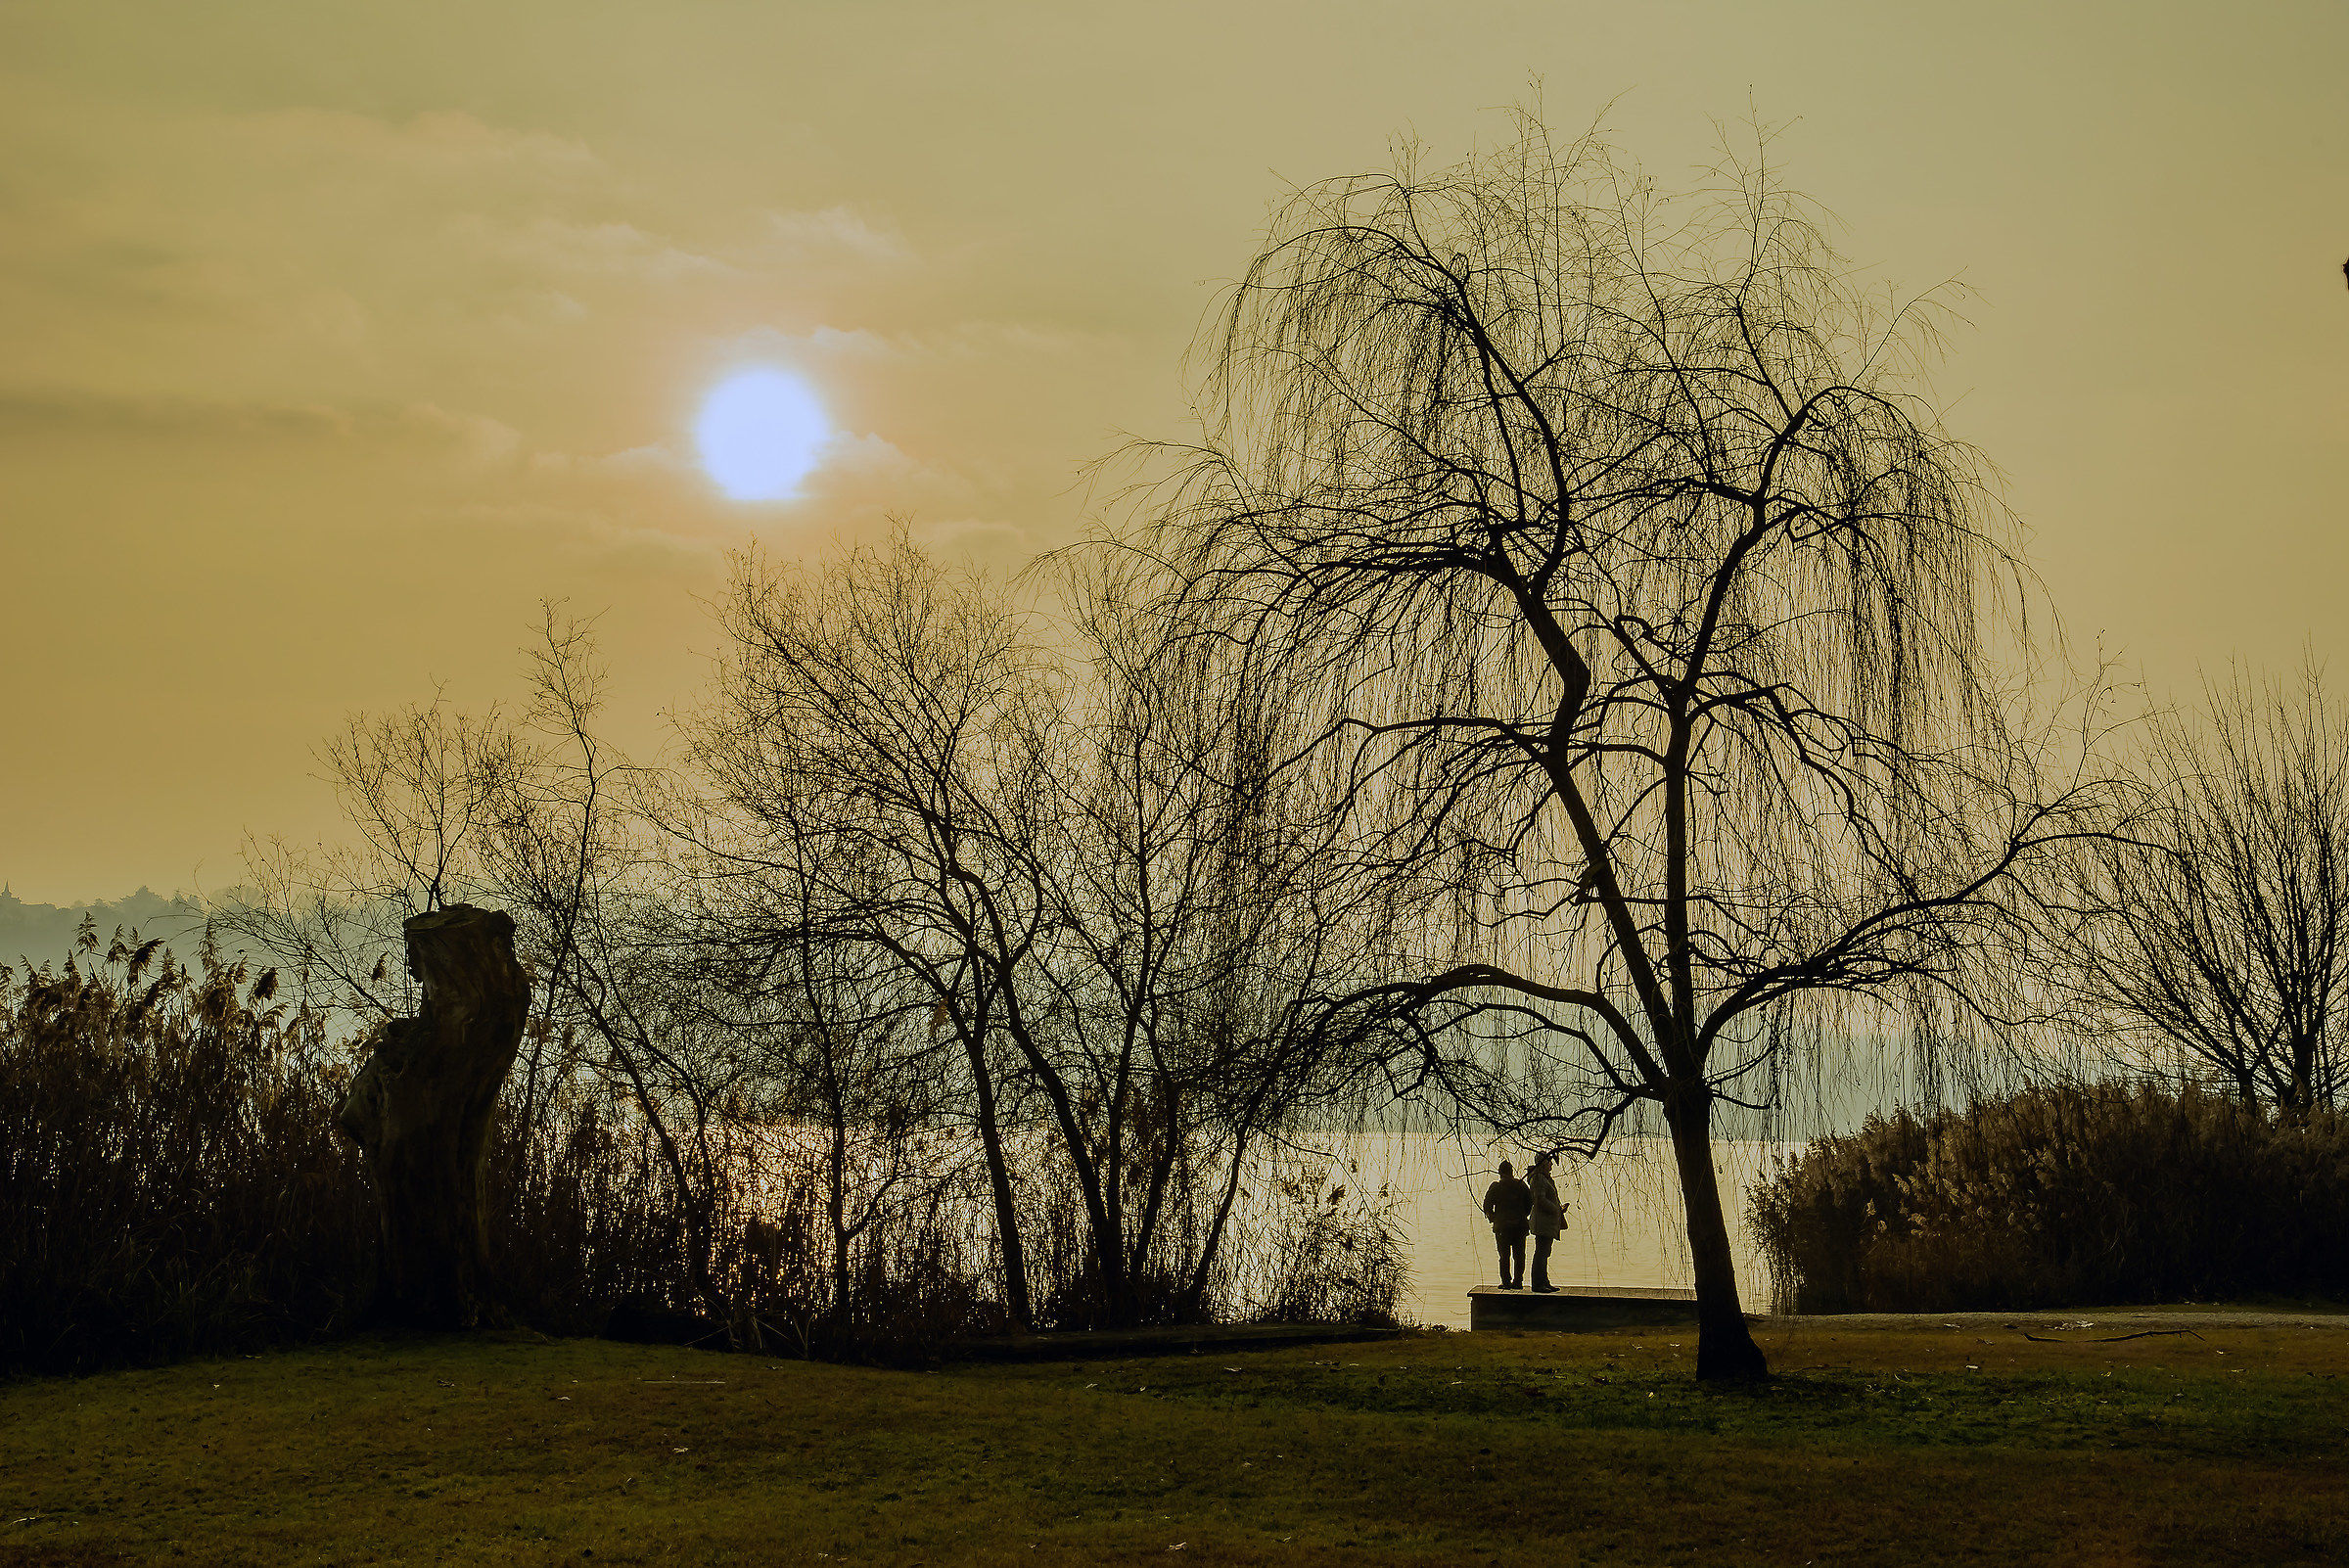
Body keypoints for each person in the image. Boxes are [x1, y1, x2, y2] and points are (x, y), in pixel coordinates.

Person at [1481, 1160, 1533, 1288]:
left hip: (1502, 1227)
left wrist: (1492, 1217)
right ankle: (1518, 1281)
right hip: (1520, 1226)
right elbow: (1530, 1204)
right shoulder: (1522, 1186)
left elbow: (1486, 1205)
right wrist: (1523, 1216)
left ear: (1500, 1172)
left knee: (1504, 1256)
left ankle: (1506, 1282)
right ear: (1512, 1172)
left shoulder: (1496, 1187)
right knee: (1519, 1256)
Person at [1526, 1151, 1566, 1293]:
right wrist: (1556, 1209)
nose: (1551, 1165)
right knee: (1541, 1253)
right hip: (1543, 1222)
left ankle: (1544, 1281)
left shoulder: (1545, 1178)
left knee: (1545, 1252)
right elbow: (1539, 1200)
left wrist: (1559, 1209)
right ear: (1543, 1163)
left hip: (1548, 1222)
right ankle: (1538, 1284)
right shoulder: (1538, 1179)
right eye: (1549, 1162)